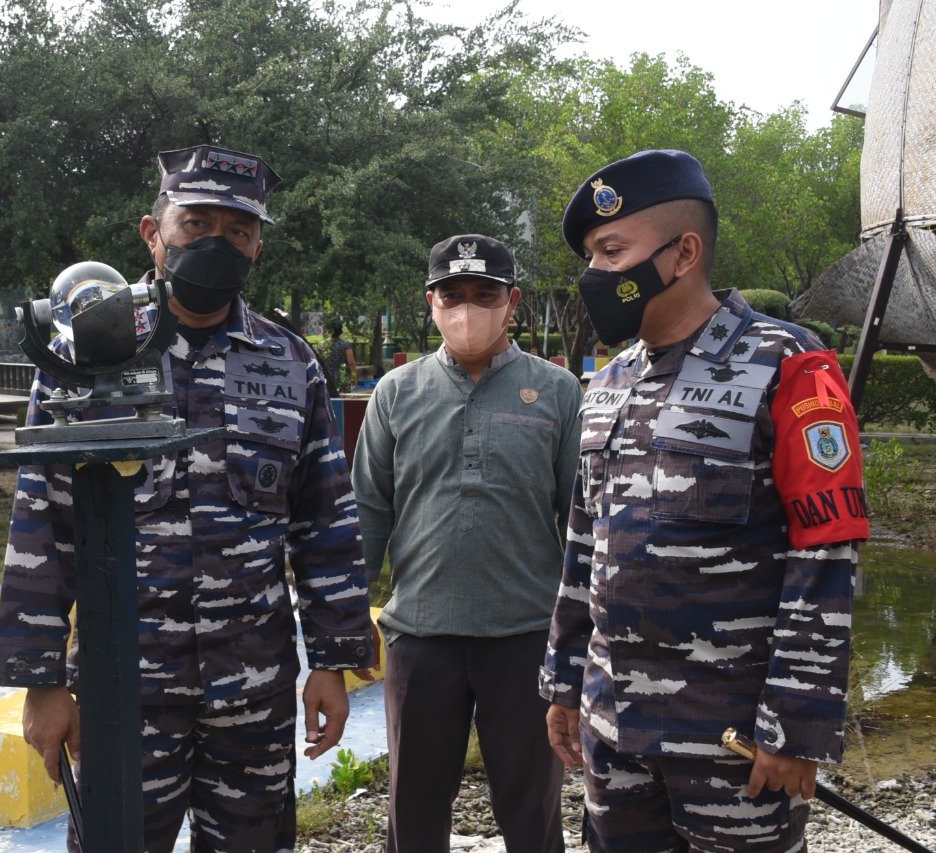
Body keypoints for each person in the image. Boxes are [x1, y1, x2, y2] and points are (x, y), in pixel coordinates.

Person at [0, 144, 375, 852]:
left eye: (238, 231)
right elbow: (41, 521)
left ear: (257, 246)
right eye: (196, 224)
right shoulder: (85, 357)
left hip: (252, 689)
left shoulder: (290, 363)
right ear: (153, 232)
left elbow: (325, 523)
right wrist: (39, 681)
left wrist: (332, 658)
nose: (217, 244)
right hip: (123, 686)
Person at [539, 149, 871, 852]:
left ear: (684, 253)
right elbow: (584, 545)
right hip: (614, 728)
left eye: (612, 252)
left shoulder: (790, 364)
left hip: (733, 741)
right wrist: (564, 682)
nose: (596, 273)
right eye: (592, 256)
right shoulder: (608, 382)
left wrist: (796, 725)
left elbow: (825, 556)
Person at [352, 234, 581, 852]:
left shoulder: (558, 392)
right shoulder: (395, 393)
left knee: (531, 811)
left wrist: (581, 634)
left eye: (485, 294)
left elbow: (581, 521)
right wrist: (348, 619)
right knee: (414, 809)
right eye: (452, 295)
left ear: (513, 303)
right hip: (421, 636)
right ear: (430, 302)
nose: (467, 309)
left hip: (526, 636)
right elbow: (368, 508)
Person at [323, 319, 358, 398]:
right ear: (340, 331)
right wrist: (354, 379)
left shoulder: (322, 345)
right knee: (342, 400)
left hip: (325, 377)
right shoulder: (346, 345)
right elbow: (351, 364)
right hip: (341, 378)